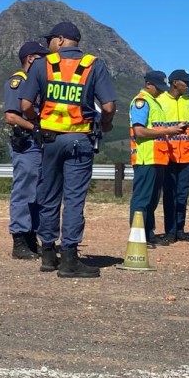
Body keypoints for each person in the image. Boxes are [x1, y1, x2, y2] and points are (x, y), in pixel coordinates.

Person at [19, 21, 117, 278]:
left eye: (51, 39)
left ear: (61, 40)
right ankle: (70, 257)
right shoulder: (93, 64)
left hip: (50, 140)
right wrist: (105, 125)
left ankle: (49, 254)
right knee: (73, 199)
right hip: (79, 139)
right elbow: (108, 106)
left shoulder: (43, 65)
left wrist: (39, 121)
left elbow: (26, 103)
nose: (48, 44)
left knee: (49, 195)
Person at [129, 71, 187, 248]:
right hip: (146, 157)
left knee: (152, 200)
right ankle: (138, 238)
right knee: (142, 199)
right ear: (148, 84)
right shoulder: (142, 101)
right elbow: (139, 131)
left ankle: (148, 233)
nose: (161, 91)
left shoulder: (155, 103)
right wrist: (167, 132)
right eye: (158, 87)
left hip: (159, 158)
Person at [3, 41, 49, 260]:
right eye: (42, 57)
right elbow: (11, 116)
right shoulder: (18, 82)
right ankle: (19, 238)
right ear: (31, 58)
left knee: (39, 192)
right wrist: (36, 128)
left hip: (39, 143)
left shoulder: (37, 83)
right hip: (27, 143)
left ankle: (32, 237)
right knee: (24, 190)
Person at [157, 69, 189, 243]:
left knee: (182, 193)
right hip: (167, 155)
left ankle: (180, 229)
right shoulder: (159, 100)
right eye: (186, 82)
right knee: (170, 193)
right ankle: (169, 231)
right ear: (175, 83)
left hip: (187, 155)